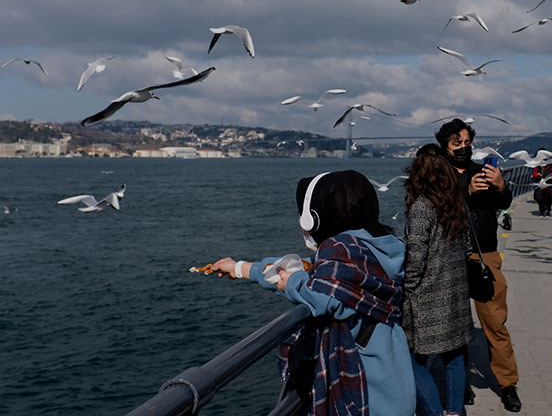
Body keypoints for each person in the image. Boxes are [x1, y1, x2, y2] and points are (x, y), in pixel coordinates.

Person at [210, 171, 415, 416]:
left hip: (370, 388)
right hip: (395, 375)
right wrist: (241, 268)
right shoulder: (373, 248)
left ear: (315, 218)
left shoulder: (337, 252)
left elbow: (323, 296)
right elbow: (306, 266)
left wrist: (293, 283)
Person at [435, 119, 522, 412]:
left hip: (486, 255)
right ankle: (461, 383)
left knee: (495, 322)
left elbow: (505, 201)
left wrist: (501, 185)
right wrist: (466, 192)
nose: (463, 147)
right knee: (456, 325)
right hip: (451, 256)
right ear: (445, 146)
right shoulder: (438, 175)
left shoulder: (481, 170)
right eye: (456, 143)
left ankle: (508, 385)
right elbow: (437, 210)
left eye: (466, 142)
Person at [403, 145, 474, 416]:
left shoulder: (422, 206)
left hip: (427, 297)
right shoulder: (457, 203)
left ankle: (434, 412)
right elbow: (467, 247)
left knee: (413, 359)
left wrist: (407, 289)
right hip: (455, 292)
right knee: (454, 357)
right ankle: (454, 412)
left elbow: (416, 258)